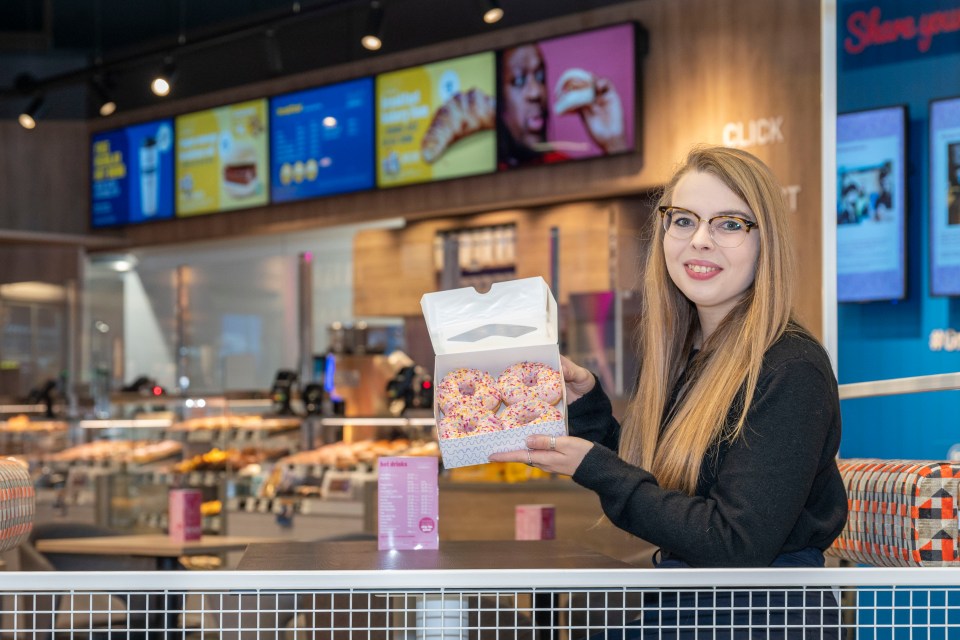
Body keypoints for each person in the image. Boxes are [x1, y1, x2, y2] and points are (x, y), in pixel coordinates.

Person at [490, 145, 847, 637]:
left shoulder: (791, 367)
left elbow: (733, 544)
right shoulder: (699, 355)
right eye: (684, 220)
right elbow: (671, 490)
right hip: (696, 612)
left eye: (729, 224)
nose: (699, 240)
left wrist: (592, 465)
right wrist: (589, 408)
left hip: (763, 620)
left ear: (767, 242)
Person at [497, 43, 628, 169]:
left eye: (540, 76)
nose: (536, 92)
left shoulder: (565, 169)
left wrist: (614, 142)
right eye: (519, 80)